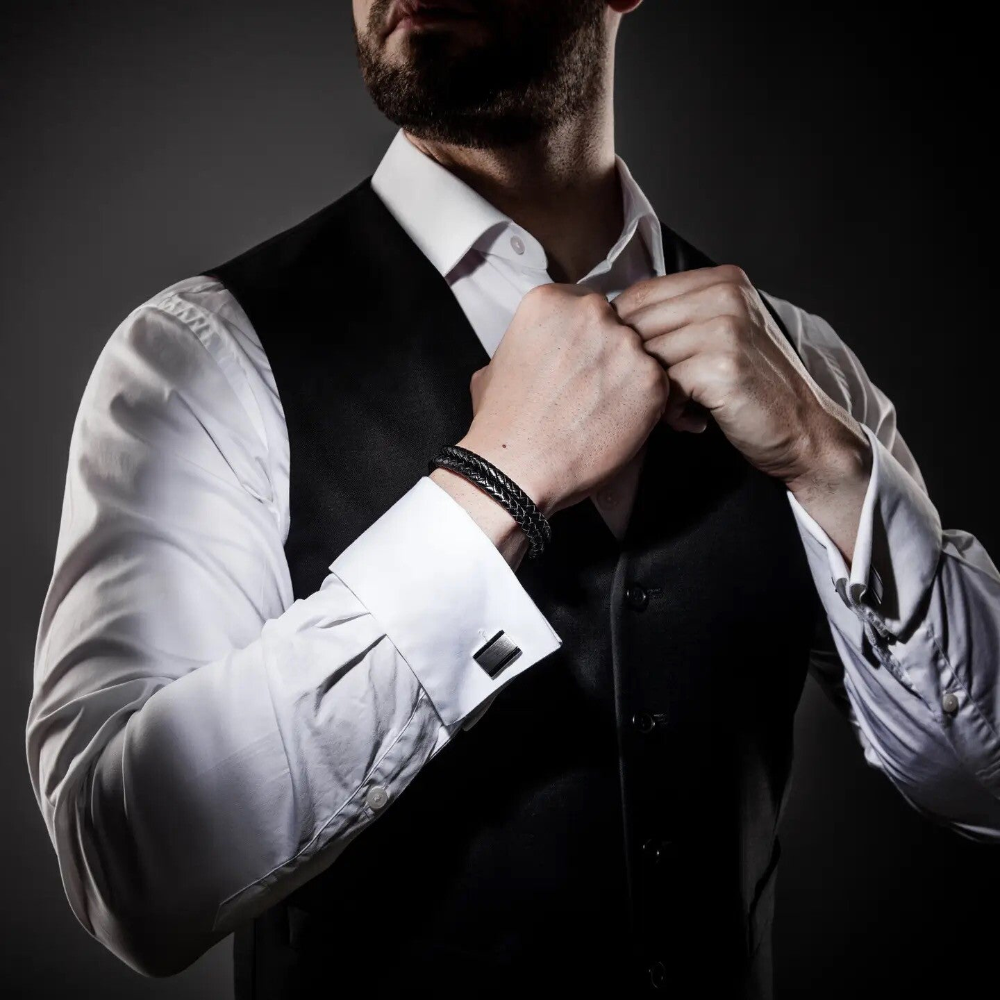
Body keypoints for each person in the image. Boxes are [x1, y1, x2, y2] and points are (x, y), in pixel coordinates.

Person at [26, 1, 1000, 997]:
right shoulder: (203, 358)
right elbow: (126, 873)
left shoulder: (798, 364)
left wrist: (828, 462)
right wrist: (493, 486)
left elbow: (985, 781)